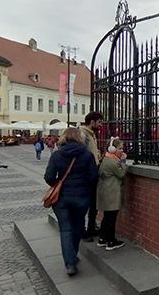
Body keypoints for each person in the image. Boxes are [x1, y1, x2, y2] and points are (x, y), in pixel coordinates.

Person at [44, 127, 98, 276]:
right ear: (79, 138)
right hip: (82, 197)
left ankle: (70, 263)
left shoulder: (57, 155)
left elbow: (48, 177)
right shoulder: (87, 155)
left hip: (61, 198)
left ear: (64, 137)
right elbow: (93, 177)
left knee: (65, 229)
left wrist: (58, 182)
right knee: (78, 226)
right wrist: (84, 187)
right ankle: (72, 255)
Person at [96, 138, 128, 251]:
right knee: (111, 218)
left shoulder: (107, 158)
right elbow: (121, 174)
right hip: (111, 192)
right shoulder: (113, 161)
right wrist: (123, 162)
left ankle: (102, 238)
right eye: (120, 148)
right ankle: (111, 241)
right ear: (112, 149)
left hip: (106, 191)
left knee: (107, 217)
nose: (122, 151)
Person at [80, 111, 104, 240]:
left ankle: (91, 228)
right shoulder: (83, 134)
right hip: (86, 174)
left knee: (93, 204)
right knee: (85, 204)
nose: (101, 125)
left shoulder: (92, 134)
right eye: (99, 122)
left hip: (93, 171)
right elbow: (80, 155)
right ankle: (83, 231)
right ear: (92, 122)